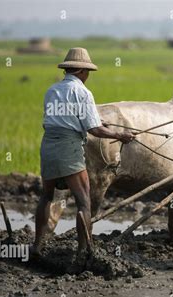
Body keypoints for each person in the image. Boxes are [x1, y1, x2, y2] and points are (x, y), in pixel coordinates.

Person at [32, 47, 135, 256]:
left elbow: (61, 118)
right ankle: (84, 248)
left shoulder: (52, 90)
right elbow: (94, 129)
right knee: (83, 201)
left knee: (46, 196)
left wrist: (98, 120)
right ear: (81, 71)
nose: (88, 76)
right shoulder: (82, 92)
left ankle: (37, 245)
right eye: (87, 72)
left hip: (48, 145)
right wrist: (120, 136)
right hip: (69, 147)